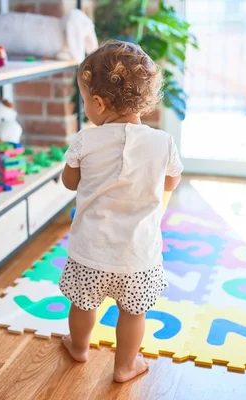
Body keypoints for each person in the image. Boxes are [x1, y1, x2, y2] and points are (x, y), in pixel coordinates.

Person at [59, 40, 183, 383]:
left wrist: (78, 166)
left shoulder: (86, 140)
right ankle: (125, 366)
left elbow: (70, 182)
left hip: (90, 253)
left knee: (84, 305)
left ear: (99, 103)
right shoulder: (163, 142)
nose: (87, 108)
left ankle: (80, 347)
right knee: (133, 313)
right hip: (138, 256)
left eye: (85, 101)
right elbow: (172, 181)